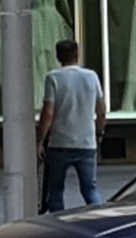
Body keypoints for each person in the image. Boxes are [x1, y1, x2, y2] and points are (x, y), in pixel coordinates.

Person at [35, 39, 107, 212]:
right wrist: (99, 131)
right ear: (77, 54)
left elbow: (48, 112)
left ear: (58, 56)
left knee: (56, 190)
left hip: (60, 143)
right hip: (86, 142)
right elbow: (101, 110)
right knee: (89, 189)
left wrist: (40, 140)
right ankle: (100, 218)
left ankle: (59, 225)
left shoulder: (53, 78)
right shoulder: (91, 77)